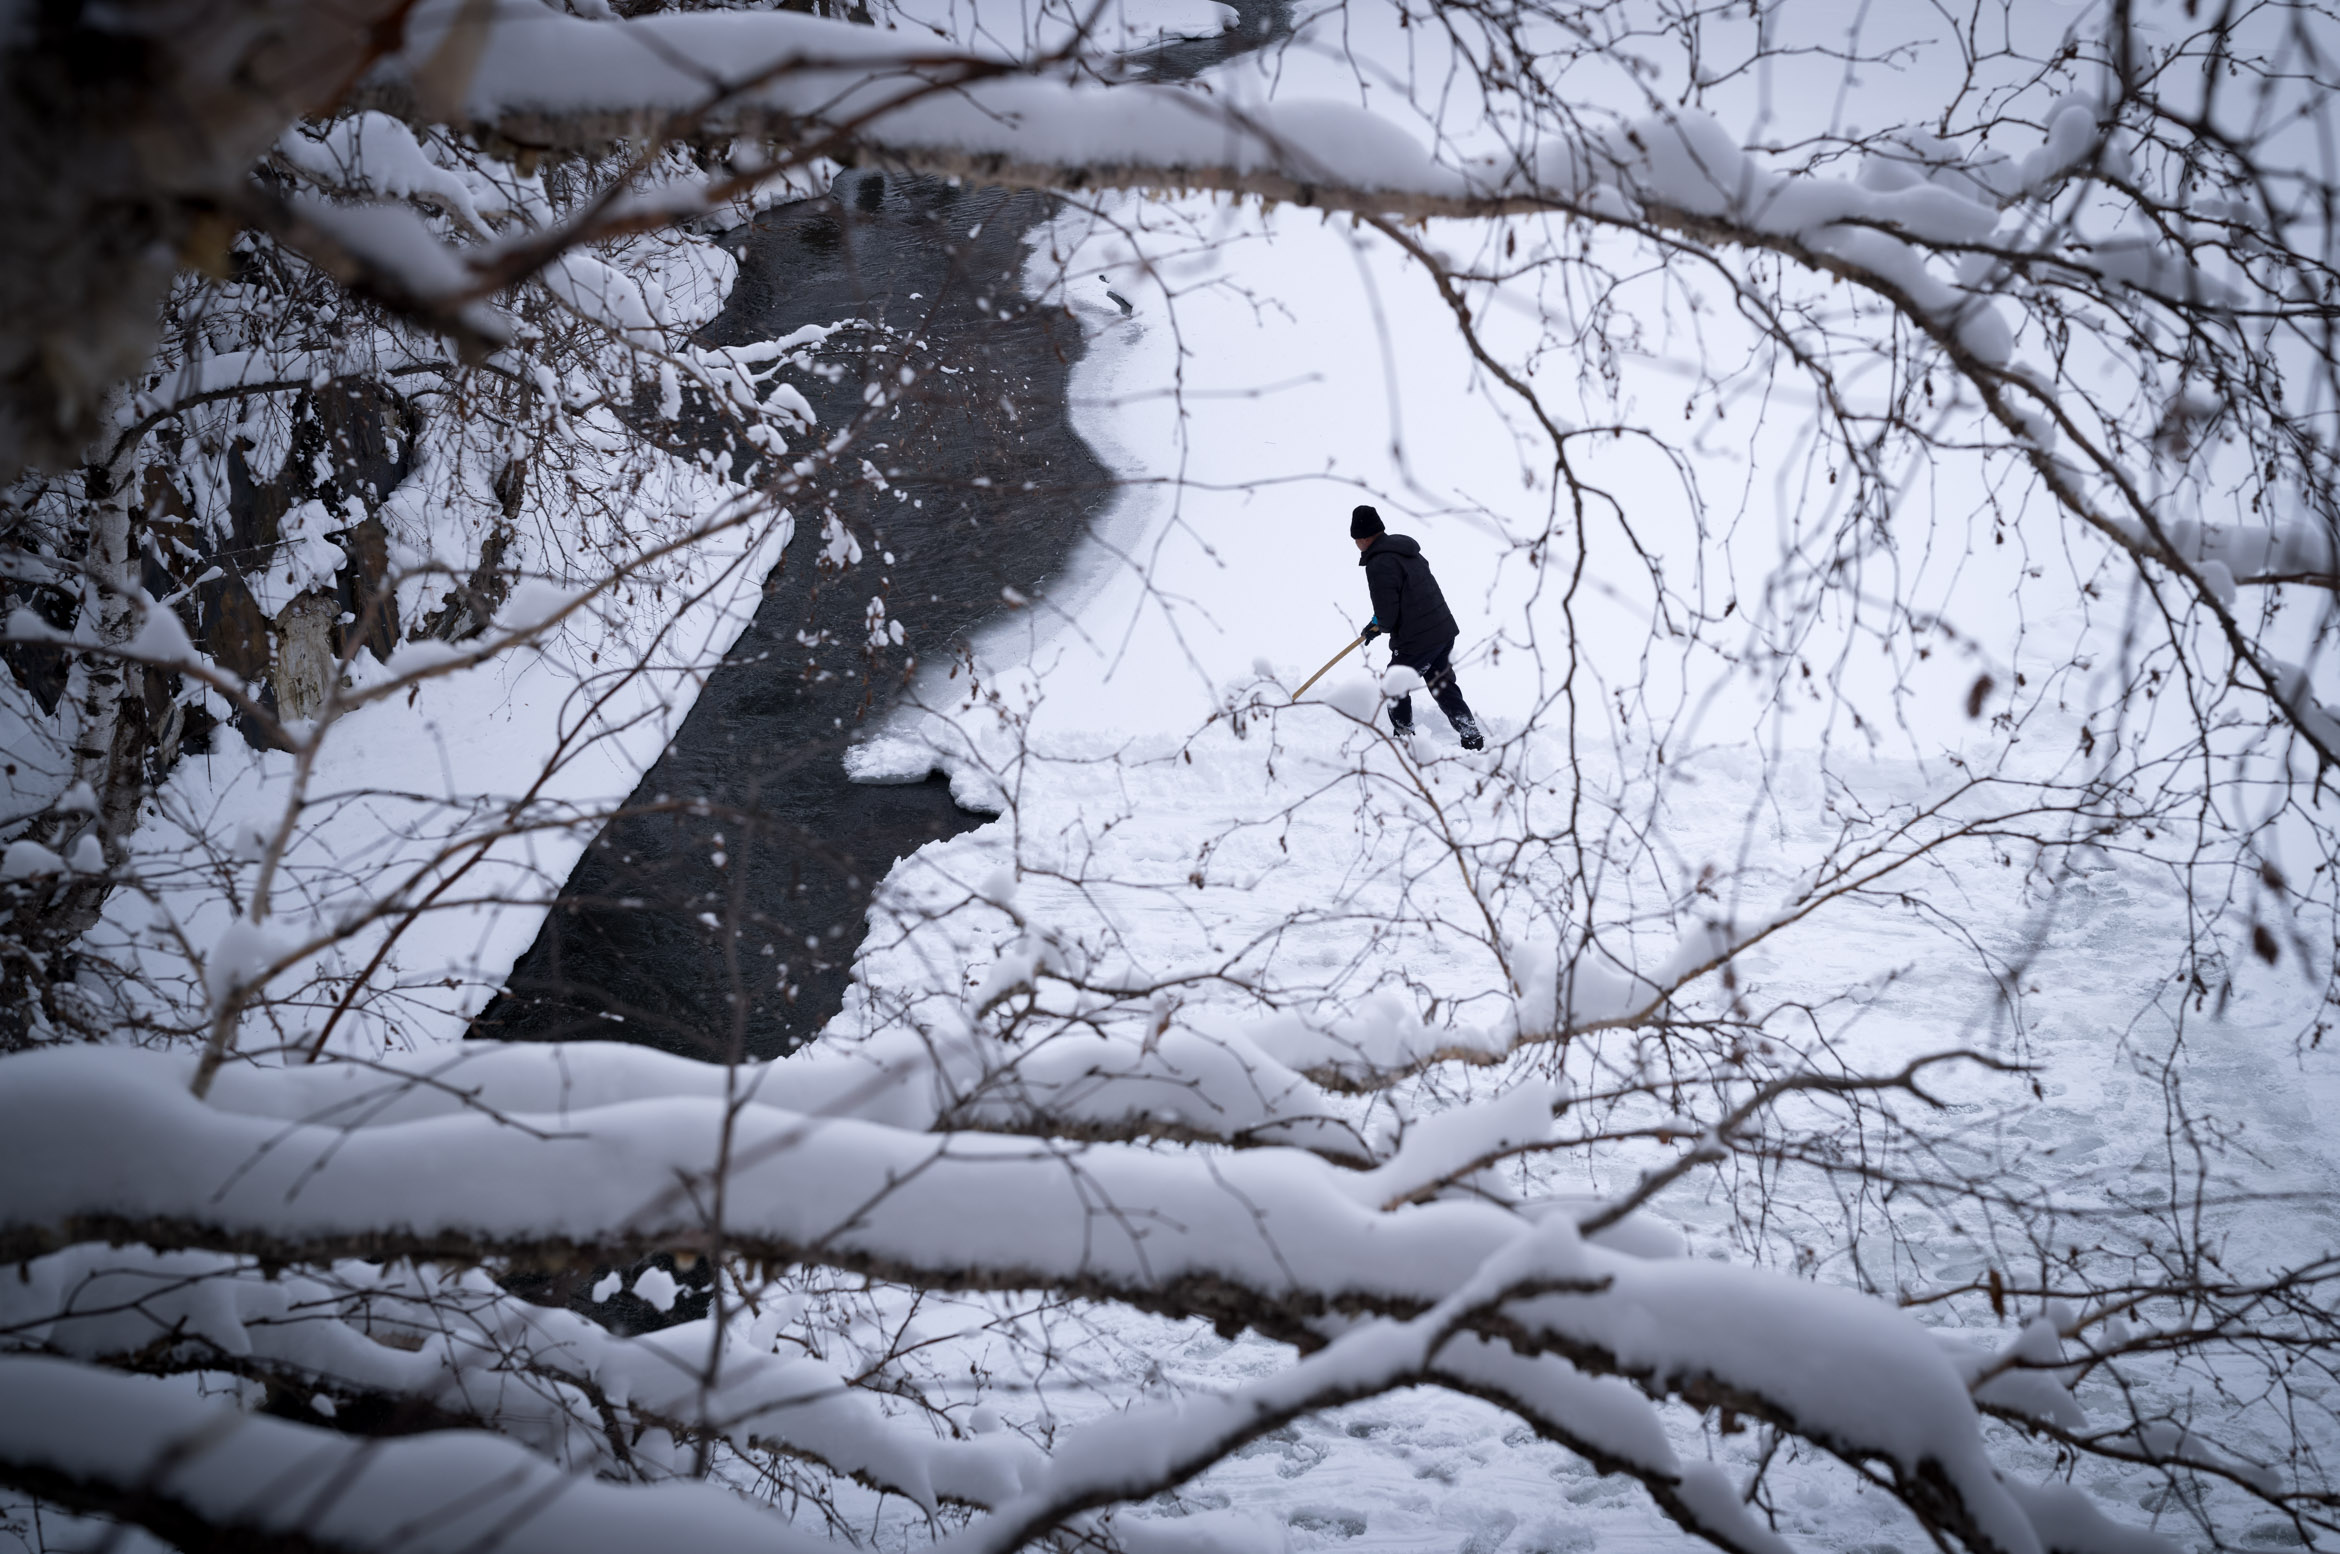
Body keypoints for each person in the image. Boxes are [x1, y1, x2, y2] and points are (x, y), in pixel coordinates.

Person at [1351, 505, 1484, 750]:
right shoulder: (1406, 550)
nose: (1356, 545)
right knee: (1441, 683)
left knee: (1394, 683)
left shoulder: (1379, 563)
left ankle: (1404, 741)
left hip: (1419, 639)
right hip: (1441, 629)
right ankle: (1471, 734)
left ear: (1364, 538)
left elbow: (1388, 612)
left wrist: (1379, 625)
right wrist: (1376, 622)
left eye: (1356, 540)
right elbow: (1406, 595)